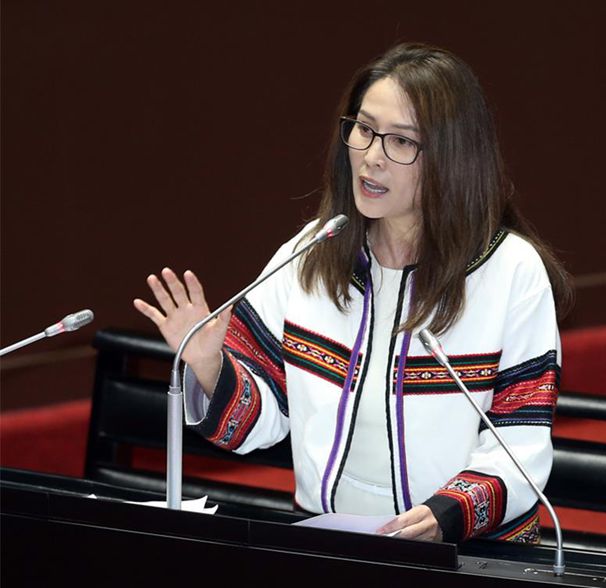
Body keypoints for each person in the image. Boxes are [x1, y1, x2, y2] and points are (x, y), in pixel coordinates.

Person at [133, 42, 572, 544]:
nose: (371, 158)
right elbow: (258, 426)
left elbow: (519, 444)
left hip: (465, 553)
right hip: (331, 544)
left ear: (453, 157)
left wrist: (446, 516)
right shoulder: (310, 254)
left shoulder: (510, 271)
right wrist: (210, 365)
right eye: (364, 130)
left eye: (400, 141)